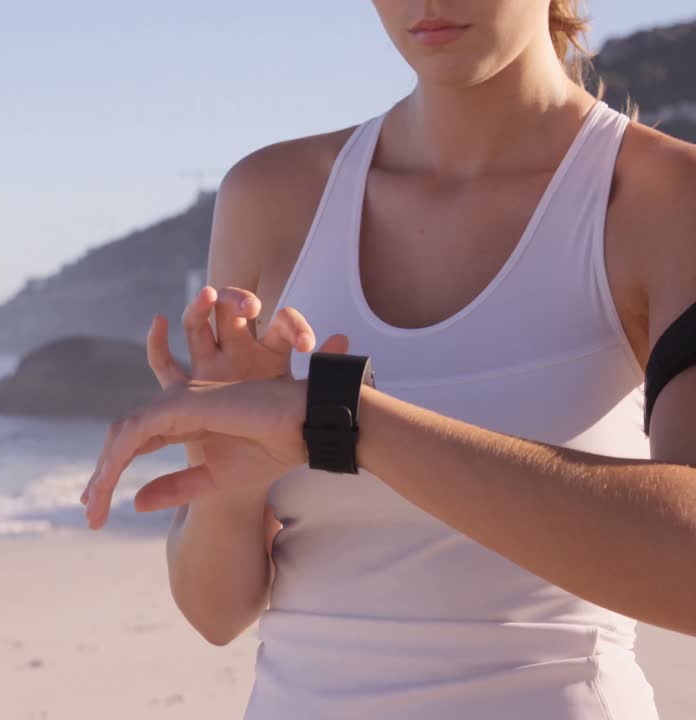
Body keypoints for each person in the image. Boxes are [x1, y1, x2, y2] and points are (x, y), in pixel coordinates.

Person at [79, 1, 696, 718]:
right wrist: (234, 485)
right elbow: (215, 614)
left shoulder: (667, 201)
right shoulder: (272, 197)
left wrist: (342, 424)